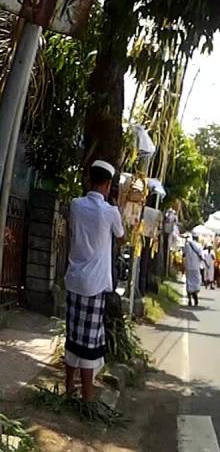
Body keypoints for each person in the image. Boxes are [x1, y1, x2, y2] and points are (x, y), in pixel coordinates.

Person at [64, 160, 125, 402]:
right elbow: (121, 237)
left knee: (73, 336)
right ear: (108, 185)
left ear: (89, 180)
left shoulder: (75, 205)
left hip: (74, 279)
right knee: (89, 341)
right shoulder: (110, 212)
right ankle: (88, 398)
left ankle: (69, 386)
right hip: (95, 284)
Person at [182, 234, 204, 308]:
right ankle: (195, 297)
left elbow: (184, 254)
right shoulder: (199, 246)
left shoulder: (187, 245)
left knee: (188, 282)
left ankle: (189, 299)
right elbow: (201, 256)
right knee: (196, 283)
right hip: (196, 267)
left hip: (188, 266)